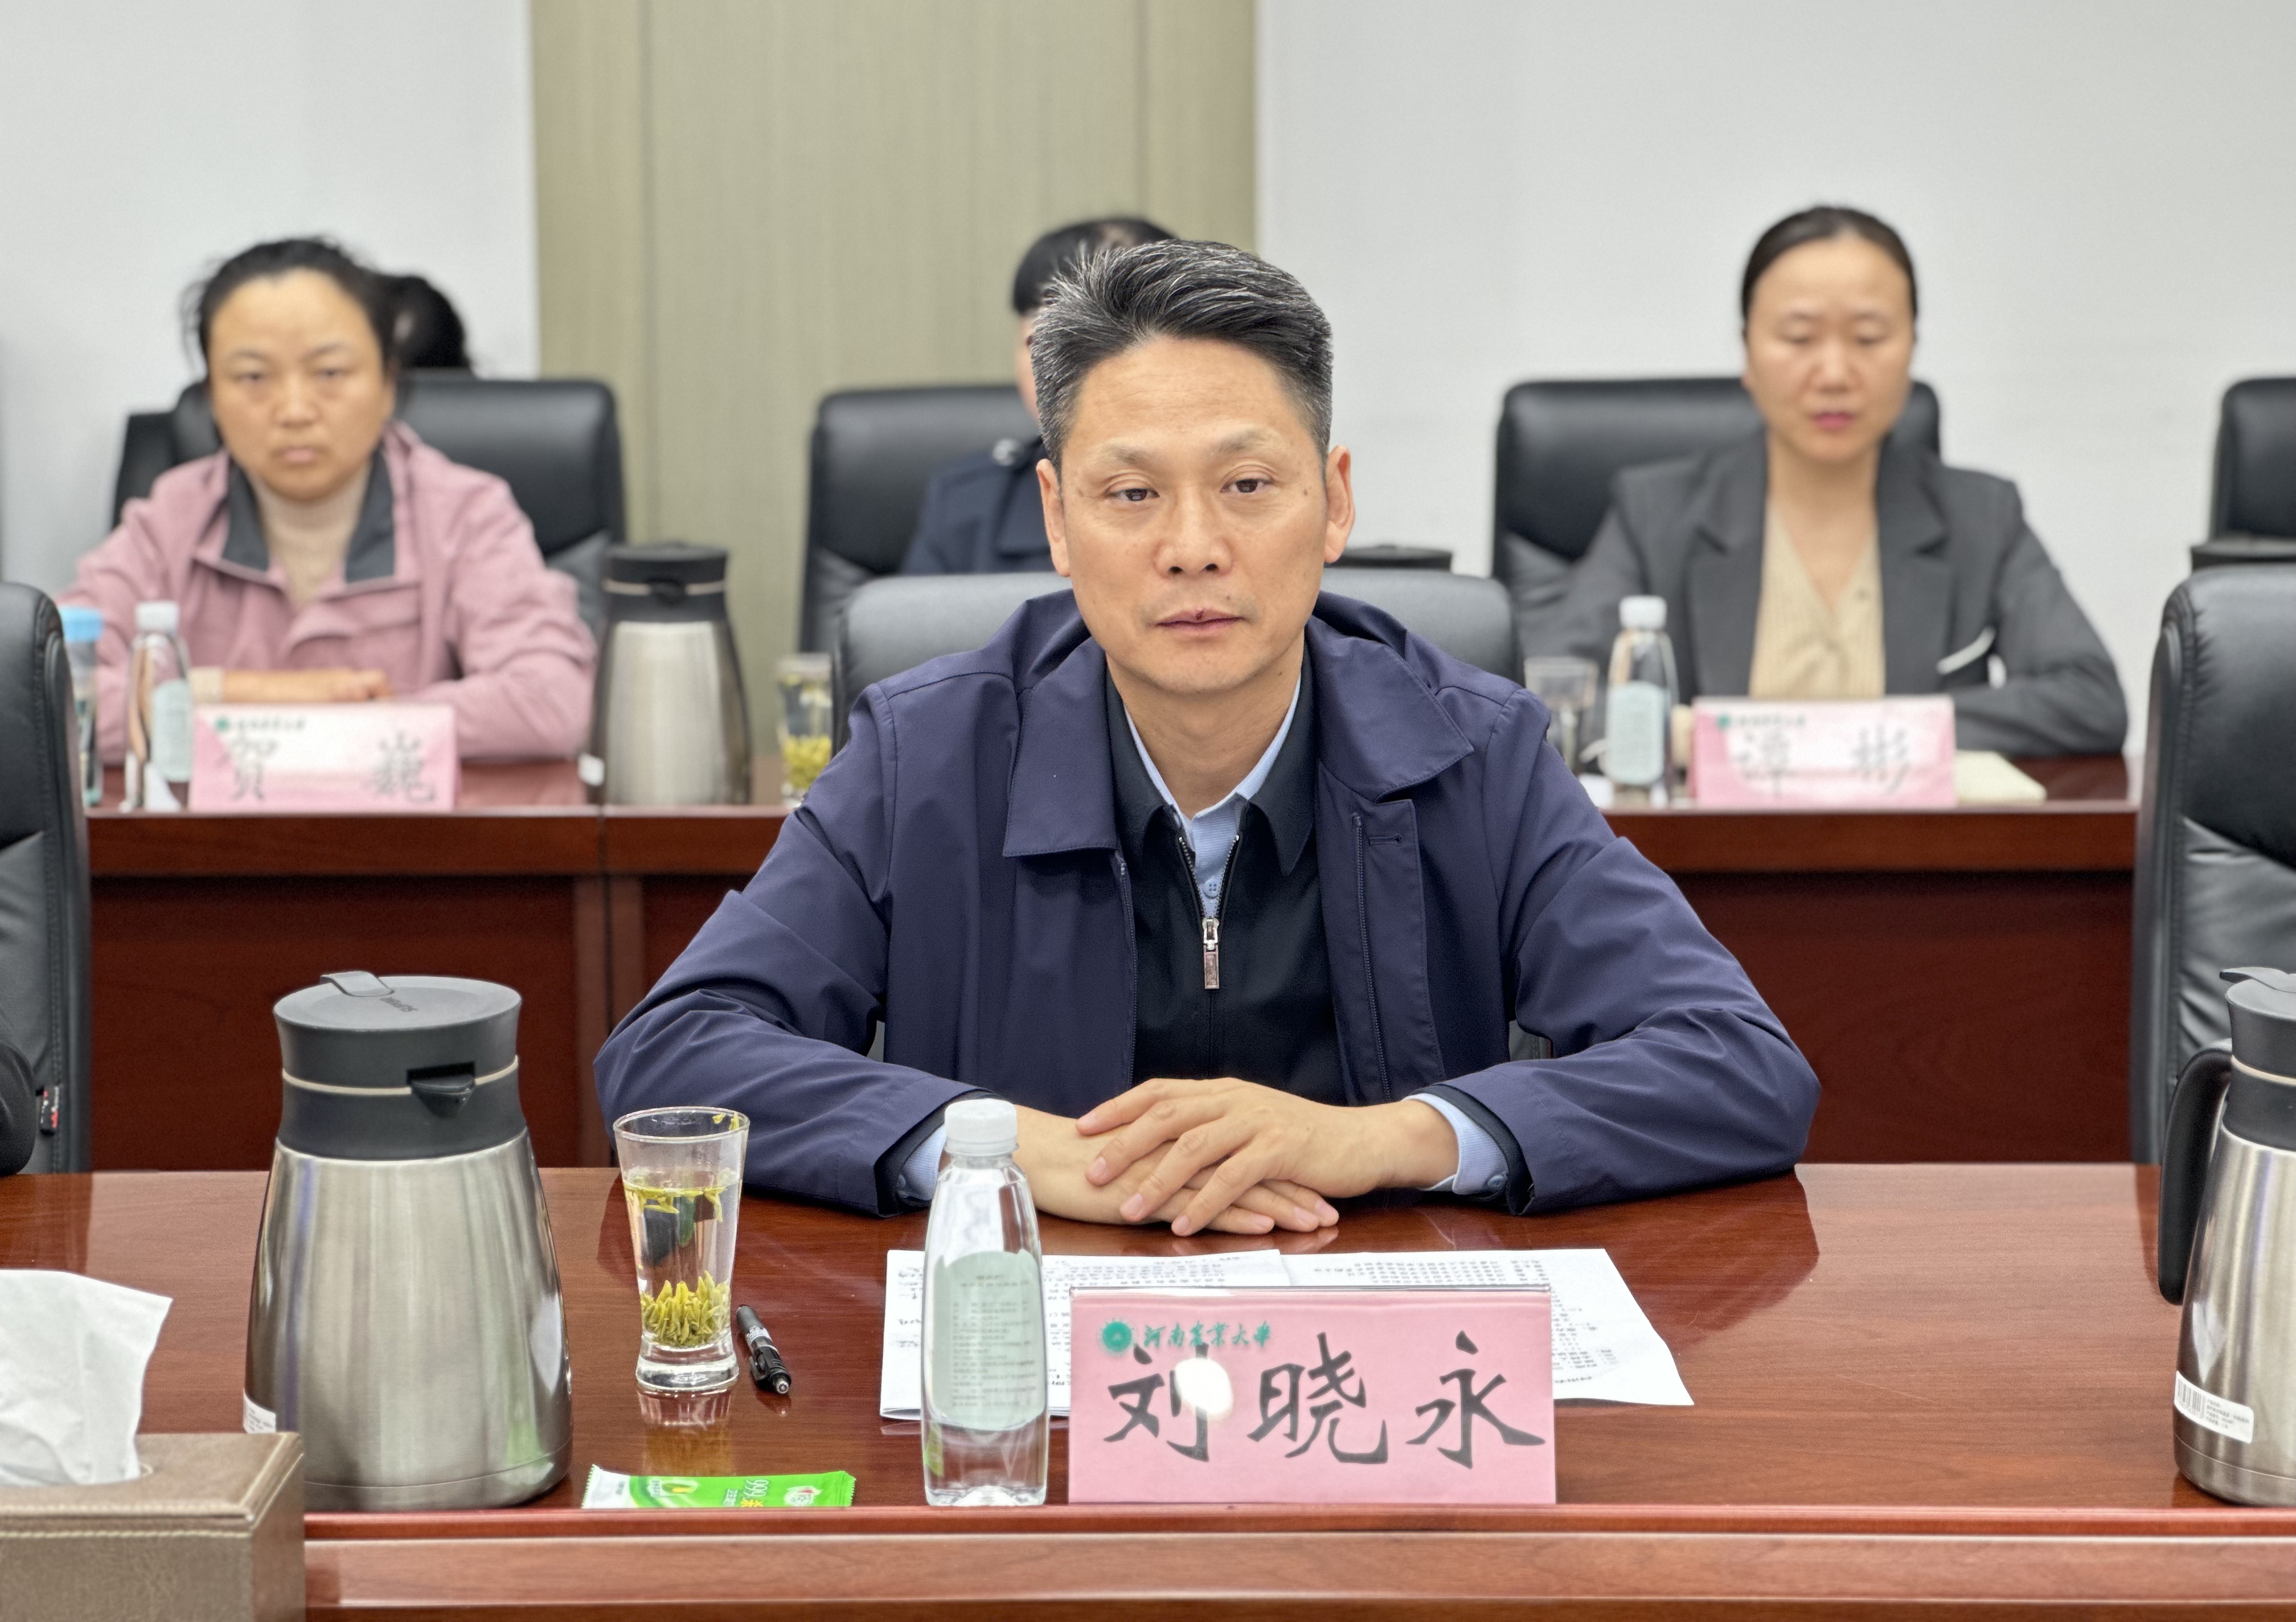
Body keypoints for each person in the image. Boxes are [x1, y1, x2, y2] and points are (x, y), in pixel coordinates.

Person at [598, 240, 1817, 1232]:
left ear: (1334, 501)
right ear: (1056, 520)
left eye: (1246, 485)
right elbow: (672, 1057)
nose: (1192, 547)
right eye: (1131, 494)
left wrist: (1381, 1139)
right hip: (1034, 1355)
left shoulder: (1470, 750)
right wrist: (1014, 1152)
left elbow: (1738, 1062)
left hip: (1369, 1358)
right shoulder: (931, 752)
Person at [1532, 206, 2125, 756]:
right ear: (1748, 351)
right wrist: (1690, 739)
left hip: (1913, 837)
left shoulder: (1981, 516)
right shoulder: (1657, 513)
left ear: (1912, 347)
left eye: (1869, 338)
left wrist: (1863, 735)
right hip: (1713, 838)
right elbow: (1550, 703)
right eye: (1798, 338)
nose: (1836, 373)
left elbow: (2090, 699)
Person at [62, 237, 594, 761]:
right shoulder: (173, 517)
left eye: (330, 373)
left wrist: (323, 725)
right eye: (253, 376)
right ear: (211, 399)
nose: (295, 410)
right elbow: (46, 693)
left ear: (387, 384)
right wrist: (256, 694)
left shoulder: (465, 513)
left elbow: (551, 700)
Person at [899, 216, 1175, 575]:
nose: (1068, 369)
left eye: (1106, 342)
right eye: (1042, 342)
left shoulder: (1240, 489)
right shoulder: (965, 504)